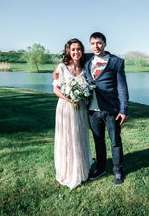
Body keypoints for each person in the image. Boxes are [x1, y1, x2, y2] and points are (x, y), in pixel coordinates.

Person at [55, 32, 129, 185]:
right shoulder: (87, 59)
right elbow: (73, 55)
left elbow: (122, 88)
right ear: (90, 46)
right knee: (98, 141)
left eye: (99, 43)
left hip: (111, 110)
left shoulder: (116, 62)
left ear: (105, 44)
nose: (96, 46)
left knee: (115, 141)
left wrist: (123, 110)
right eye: (93, 43)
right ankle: (101, 168)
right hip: (91, 110)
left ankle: (118, 172)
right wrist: (57, 69)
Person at [53, 38, 93, 189]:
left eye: (79, 49)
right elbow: (56, 89)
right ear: (68, 51)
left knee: (79, 136)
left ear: (82, 51)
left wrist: (81, 96)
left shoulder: (85, 67)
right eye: (73, 49)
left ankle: (81, 169)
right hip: (65, 107)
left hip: (80, 107)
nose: (76, 52)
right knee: (67, 137)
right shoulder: (62, 67)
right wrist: (69, 99)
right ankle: (67, 170)